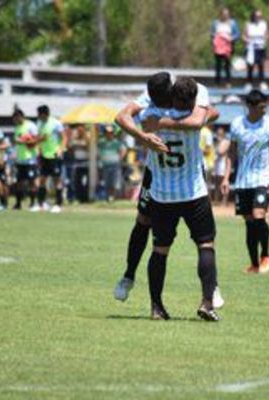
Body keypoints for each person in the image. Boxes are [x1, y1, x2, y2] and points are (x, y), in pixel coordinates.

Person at [113, 73, 224, 315]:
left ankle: (156, 306)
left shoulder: (148, 116)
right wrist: (144, 137)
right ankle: (207, 297)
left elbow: (125, 118)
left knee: (159, 248)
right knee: (204, 243)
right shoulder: (190, 100)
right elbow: (206, 117)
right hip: (191, 190)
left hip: (162, 192)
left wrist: (152, 129)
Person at [222, 89, 269, 274]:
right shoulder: (237, 125)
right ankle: (254, 264)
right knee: (249, 222)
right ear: (250, 106)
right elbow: (231, 152)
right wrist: (226, 177)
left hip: (262, 178)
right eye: (261, 107)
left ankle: (266, 255)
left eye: (266, 106)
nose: (265, 110)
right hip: (242, 181)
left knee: (258, 216)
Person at [36, 105, 67, 213]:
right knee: (42, 179)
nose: (38, 116)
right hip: (44, 155)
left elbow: (64, 137)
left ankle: (58, 204)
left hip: (54, 155)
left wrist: (61, 150)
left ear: (46, 114)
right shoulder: (39, 123)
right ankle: (41, 204)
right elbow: (40, 138)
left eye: (40, 114)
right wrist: (39, 150)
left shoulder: (56, 123)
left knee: (56, 180)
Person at [12, 109, 40, 211]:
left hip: (30, 159)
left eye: (16, 118)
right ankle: (18, 203)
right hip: (20, 159)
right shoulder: (17, 128)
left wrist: (26, 141)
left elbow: (36, 140)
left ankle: (33, 204)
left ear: (20, 116)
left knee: (32, 181)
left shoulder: (31, 126)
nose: (15, 121)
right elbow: (16, 141)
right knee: (19, 182)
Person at [210, 7, 240, 87]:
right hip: (218, 47)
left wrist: (230, 38)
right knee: (218, 65)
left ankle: (228, 82)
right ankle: (217, 82)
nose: (225, 16)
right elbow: (212, 34)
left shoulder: (232, 23)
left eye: (226, 14)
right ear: (221, 15)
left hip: (228, 47)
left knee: (227, 64)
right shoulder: (216, 23)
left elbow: (237, 34)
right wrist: (217, 37)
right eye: (223, 14)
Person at [98, 124, 126, 202]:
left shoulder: (116, 142)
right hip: (105, 164)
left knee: (114, 181)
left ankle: (112, 197)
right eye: (107, 132)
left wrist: (119, 158)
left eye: (110, 132)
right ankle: (107, 196)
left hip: (115, 164)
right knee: (106, 181)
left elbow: (123, 150)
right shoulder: (101, 142)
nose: (109, 133)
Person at [243, 10, 269, 91]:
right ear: (253, 16)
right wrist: (247, 40)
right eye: (257, 16)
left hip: (260, 47)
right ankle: (249, 83)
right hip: (251, 48)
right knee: (250, 66)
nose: (258, 18)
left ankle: (262, 82)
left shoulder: (264, 24)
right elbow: (244, 35)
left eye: (260, 16)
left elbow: (267, 34)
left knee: (261, 65)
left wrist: (265, 39)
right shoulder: (248, 24)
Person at [212, 126, 231, 205]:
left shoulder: (226, 141)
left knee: (223, 183)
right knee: (216, 184)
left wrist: (218, 143)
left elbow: (221, 151)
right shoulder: (216, 142)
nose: (218, 135)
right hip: (216, 164)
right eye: (217, 133)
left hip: (224, 165)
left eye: (220, 133)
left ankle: (224, 201)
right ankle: (217, 200)